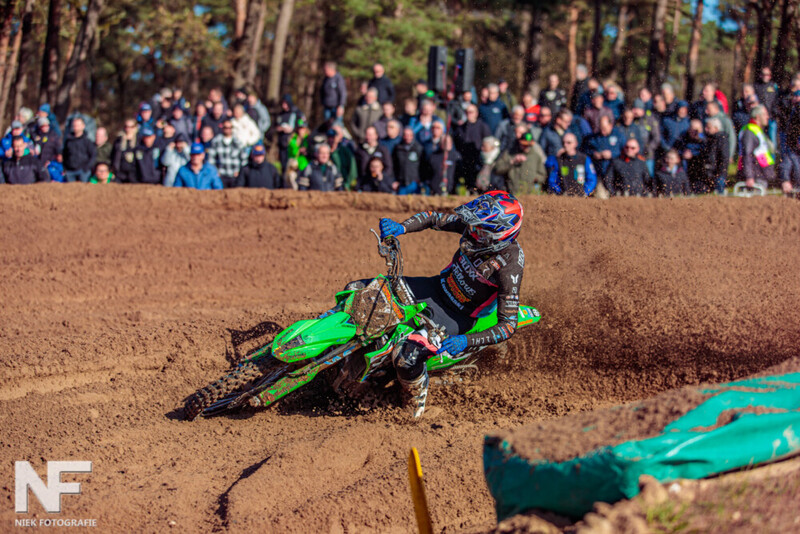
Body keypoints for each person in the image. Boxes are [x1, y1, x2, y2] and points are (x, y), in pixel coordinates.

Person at [375, 191, 525, 418]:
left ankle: (414, 398)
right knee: (366, 290)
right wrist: (401, 227)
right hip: (435, 288)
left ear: (500, 235)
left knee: (406, 357)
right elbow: (433, 217)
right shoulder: (476, 229)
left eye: (479, 230)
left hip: (457, 316)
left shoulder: (510, 265)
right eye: (473, 227)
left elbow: (508, 325)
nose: (471, 232)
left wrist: (466, 340)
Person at [453, 104, 491, 191]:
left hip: (479, 160)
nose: (469, 114)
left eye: (471, 112)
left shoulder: (483, 126)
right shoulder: (461, 128)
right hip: (465, 160)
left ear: (476, 113)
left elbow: (488, 143)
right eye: (467, 112)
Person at [737, 105, 775, 188]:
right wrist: (749, 176)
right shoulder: (749, 132)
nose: (768, 117)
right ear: (758, 117)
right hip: (755, 178)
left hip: (761, 175)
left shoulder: (757, 130)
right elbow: (747, 155)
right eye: (765, 114)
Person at [207, 119, 248, 188]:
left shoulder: (238, 142)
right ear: (222, 128)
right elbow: (211, 159)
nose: (228, 130)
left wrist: (240, 171)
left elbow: (244, 158)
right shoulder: (216, 141)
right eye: (226, 127)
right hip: (221, 175)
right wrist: (216, 171)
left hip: (234, 176)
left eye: (230, 128)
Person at [700, 117, 730, 194]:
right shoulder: (710, 139)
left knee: (719, 195)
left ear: (716, 128)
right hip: (711, 172)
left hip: (718, 173)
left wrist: (720, 172)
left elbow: (724, 157)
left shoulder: (721, 139)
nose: (706, 129)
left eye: (709, 127)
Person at [62, 117, 96, 183]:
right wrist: (65, 168)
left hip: (83, 172)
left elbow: (93, 155)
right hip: (70, 172)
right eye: (74, 125)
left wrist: (86, 168)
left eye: (78, 125)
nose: (75, 127)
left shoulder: (88, 141)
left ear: (83, 126)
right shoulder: (68, 140)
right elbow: (64, 154)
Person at [393, 126, 424, 195]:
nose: (408, 137)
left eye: (410, 135)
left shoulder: (418, 148)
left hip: (414, 182)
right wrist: (395, 180)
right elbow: (394, 165)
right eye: (406, 135)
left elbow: (422, 165)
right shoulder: (398, 148)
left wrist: (420, 179)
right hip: (402, 182)